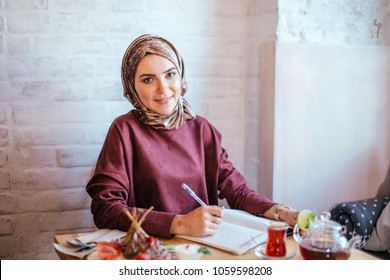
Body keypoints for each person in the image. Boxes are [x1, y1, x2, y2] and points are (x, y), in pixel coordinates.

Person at [86, 34, 299, 239]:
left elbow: (239, 192)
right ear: (132, 86)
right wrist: (180, 223)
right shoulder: (124, 130)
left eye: (170, 74)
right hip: (151, 252)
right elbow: (106, 209)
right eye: (148, 79)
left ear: (181, 77)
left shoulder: (201, 129)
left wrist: (283, 213)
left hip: (203, 248)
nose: (163, 88)